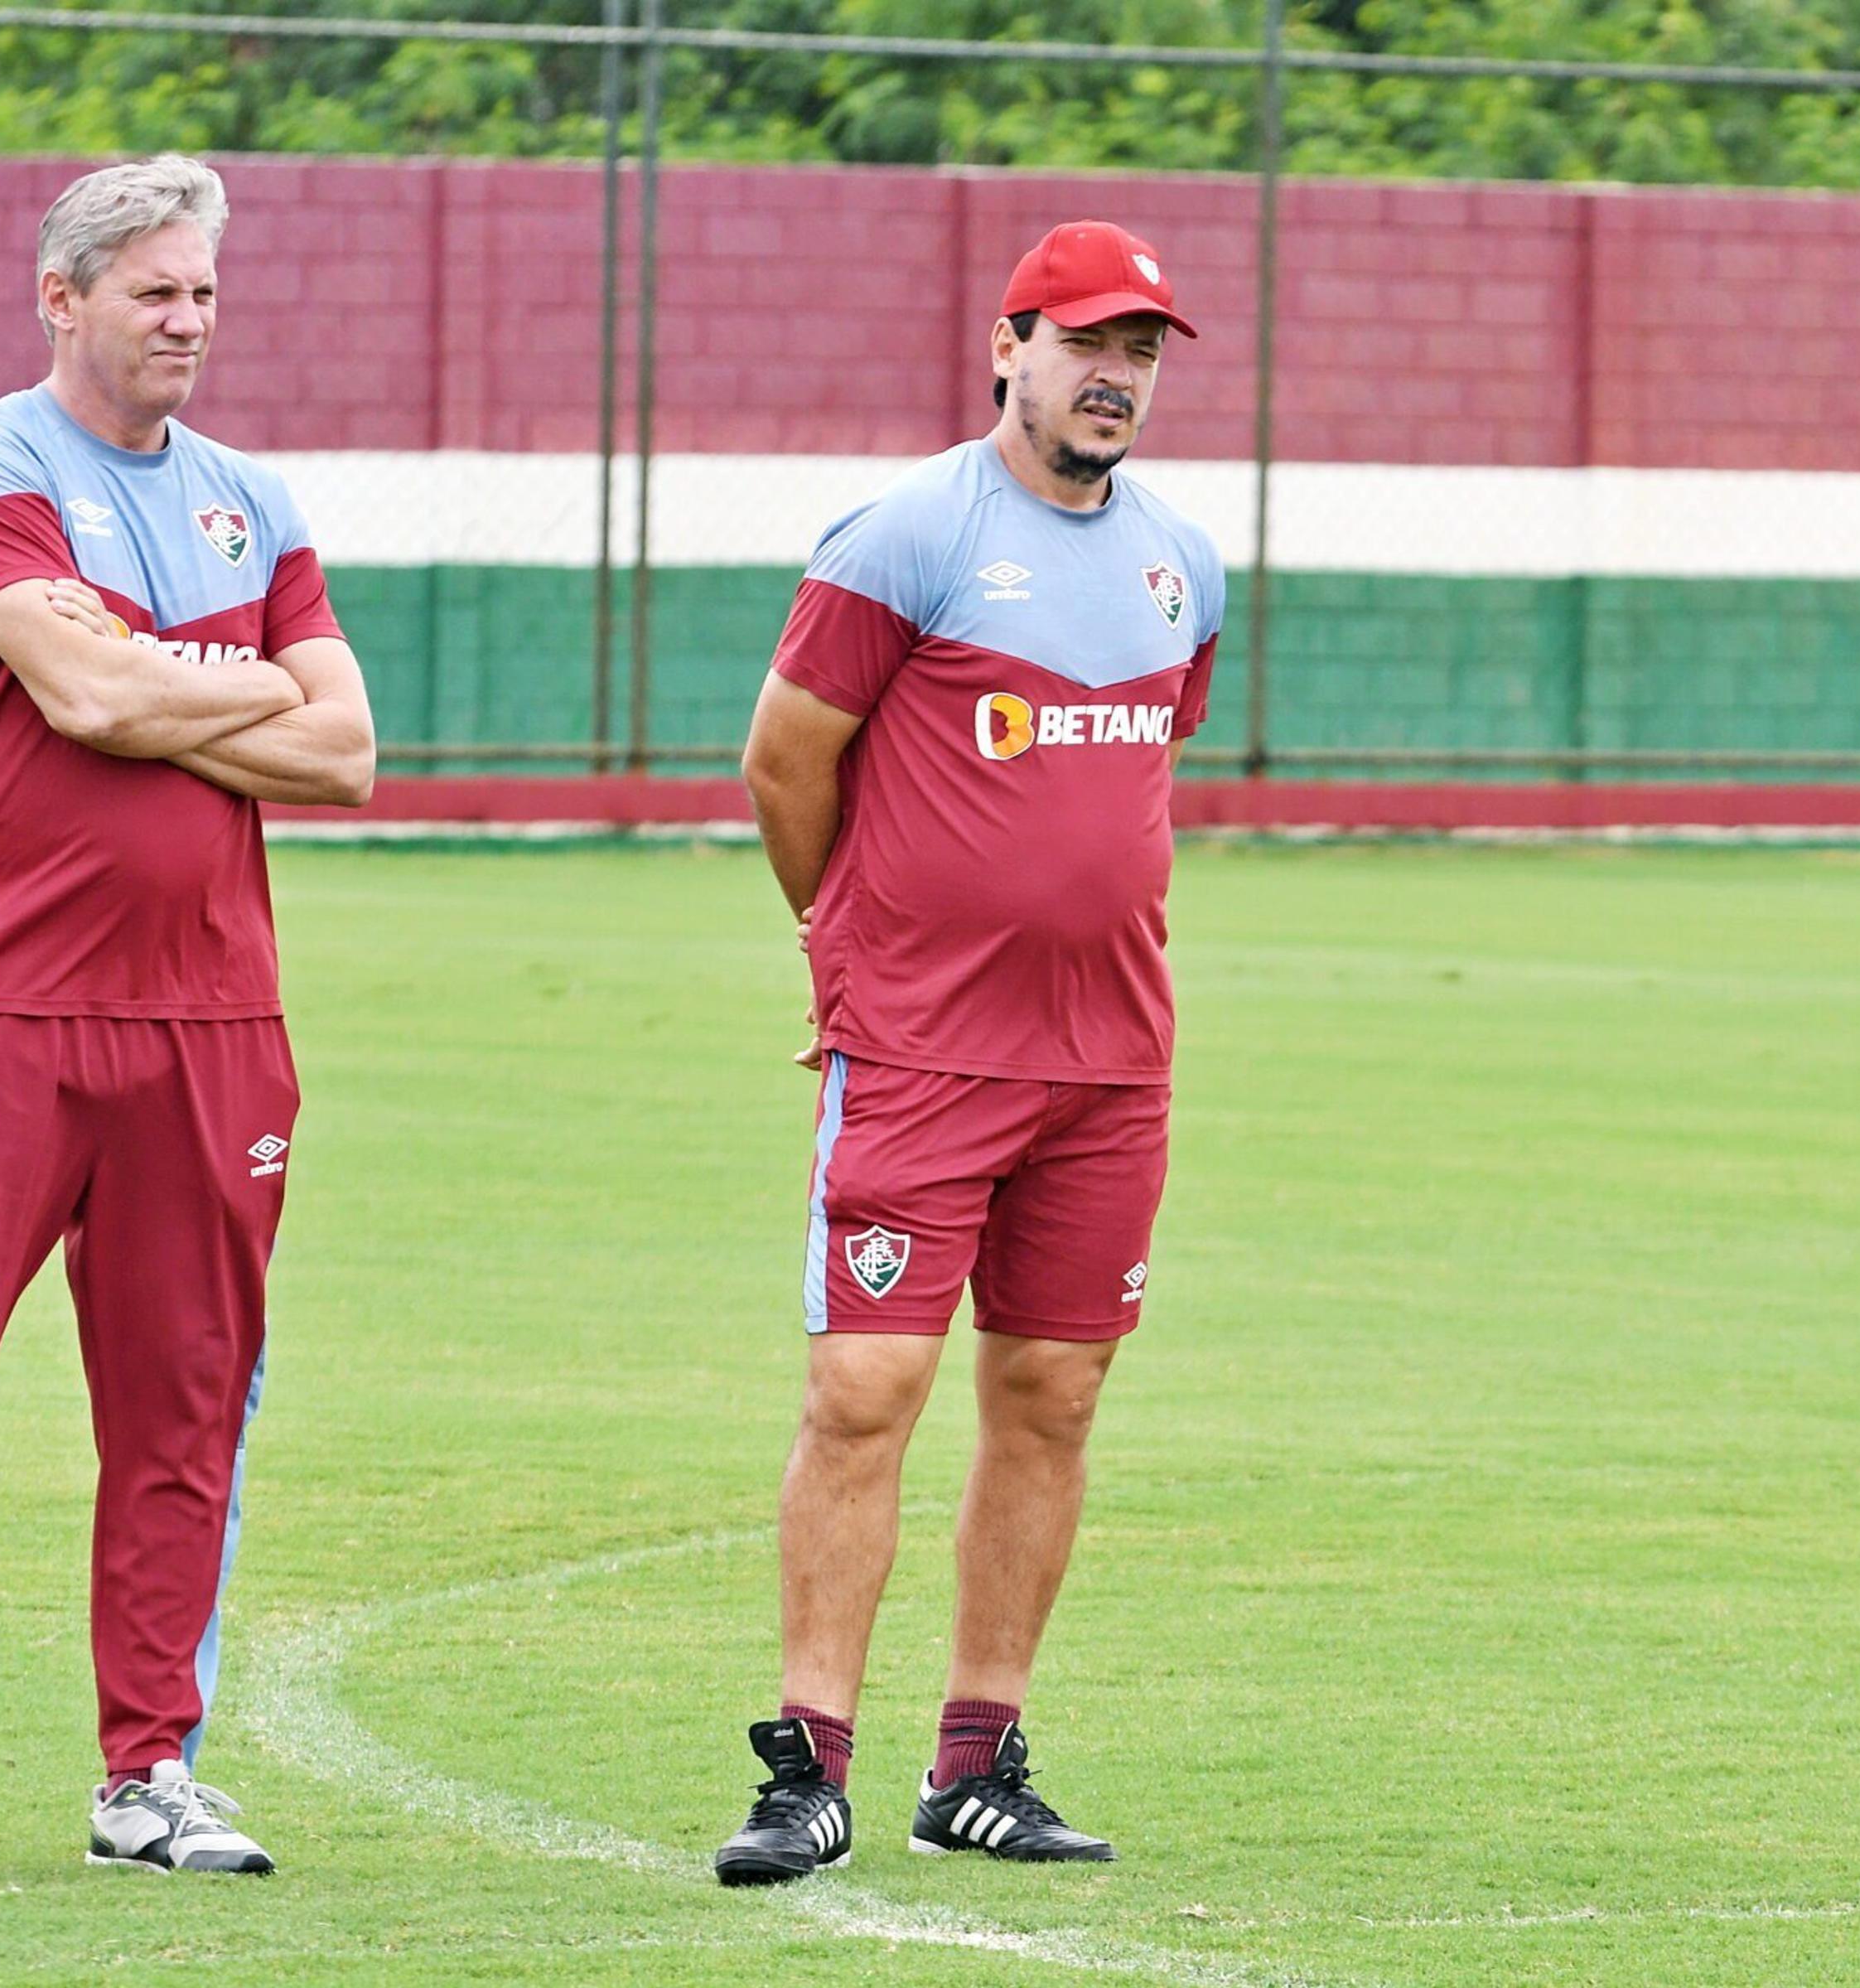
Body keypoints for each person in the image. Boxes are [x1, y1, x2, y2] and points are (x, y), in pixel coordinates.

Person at [0, 153, 374, 1889]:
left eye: (203, 294)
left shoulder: (252, 504)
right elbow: (83, 687)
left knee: (187, 1399)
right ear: (66, 300)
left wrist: (154, 689)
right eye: (153, 293)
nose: (188, 321)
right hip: (4, 1012)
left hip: (218, 1024)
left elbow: (343, 754)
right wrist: (217, 679)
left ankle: (150, 1772)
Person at [713, 220, 1225, 1885]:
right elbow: (790, 761)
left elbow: (1137, 773)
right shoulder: (909, 535)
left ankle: (978, 1759)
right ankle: (809, 1769)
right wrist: (846, 944)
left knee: (1053, 1391)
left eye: (1142, 352)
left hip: (1111, 1057)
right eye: (1087, 343)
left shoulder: (1182, 564)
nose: (1115, 377)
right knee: (866, 1388)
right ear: (1009, 345)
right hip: (927, 1047)